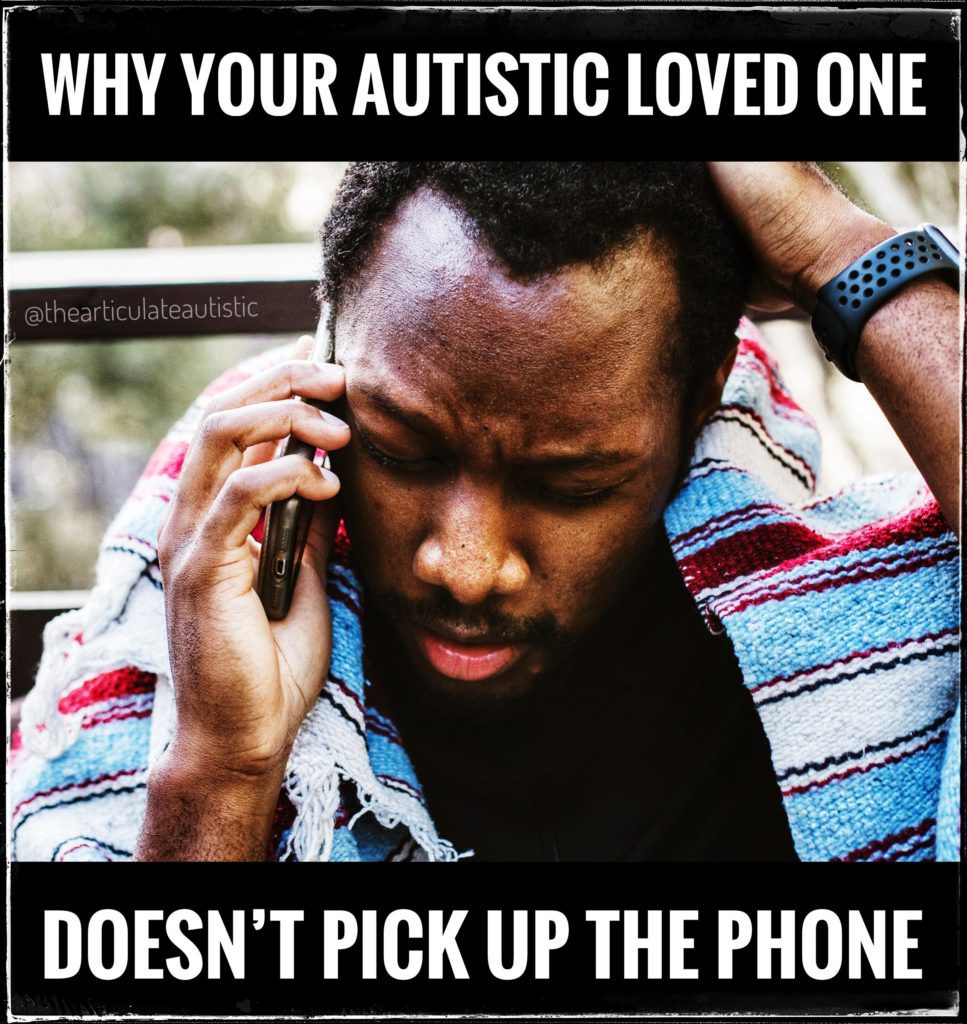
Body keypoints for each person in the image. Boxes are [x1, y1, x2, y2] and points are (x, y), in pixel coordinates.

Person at [9, 162, 960, 863]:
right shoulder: (214, 558)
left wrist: (836, 249)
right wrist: (221, 769)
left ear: (704, 397)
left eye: (573, 483)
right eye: (404, 450)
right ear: (332, 361)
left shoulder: (844, 644)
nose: (462, 566)